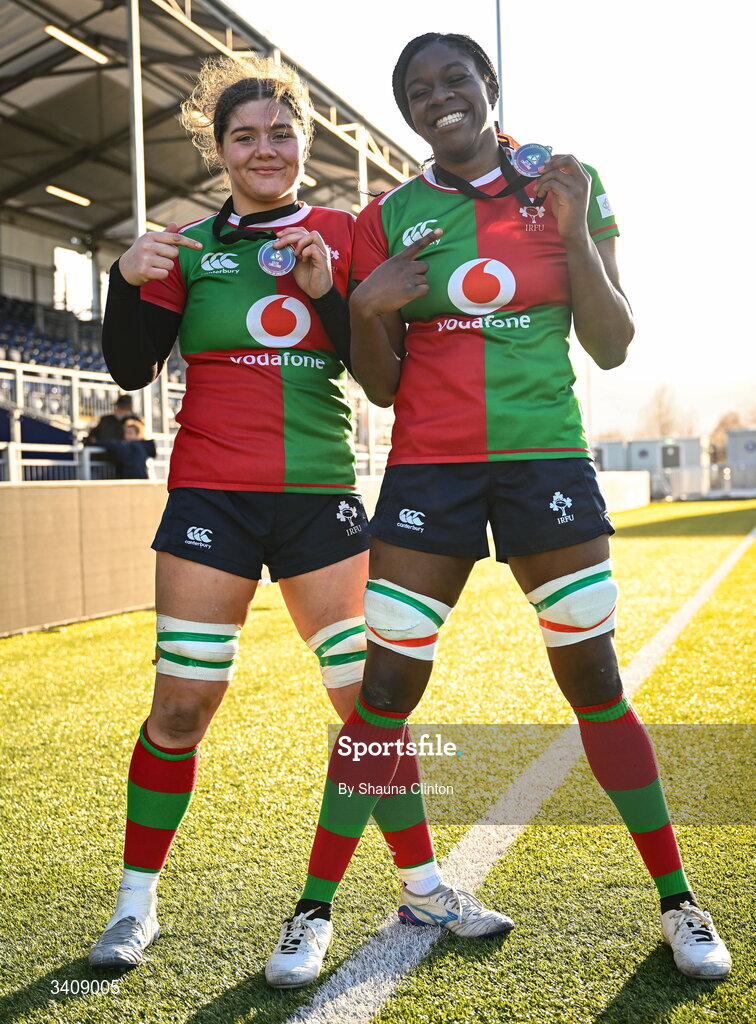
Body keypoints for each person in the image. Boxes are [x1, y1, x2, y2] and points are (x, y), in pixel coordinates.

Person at [269, 33, 731, 985]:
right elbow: (382, 387)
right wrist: (367, 306)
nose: (439, 98)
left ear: (489, 85)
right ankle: (312, 911)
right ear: (404, 110)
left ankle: (680, 900)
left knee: (594, 681)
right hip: (429, 473)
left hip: (544, 464)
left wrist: (567, 231)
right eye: (417, 90)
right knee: (386, 696)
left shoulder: (566, 178)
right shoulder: (389, 215)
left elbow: (612, 344)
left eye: (455, 80)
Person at [87, 53, 446, 972]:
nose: (264, 149)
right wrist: (124, 278)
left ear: (303, 142)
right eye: (243, 136)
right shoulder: (187, 246)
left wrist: (331, 289)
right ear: (219, 150)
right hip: (212, 497)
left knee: (367, 704)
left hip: (320, 499)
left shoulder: (342, 228)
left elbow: (376, 362)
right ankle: (135, 907)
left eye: (280, 133)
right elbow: (131, 368)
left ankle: (423, 887)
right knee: (181, 705)